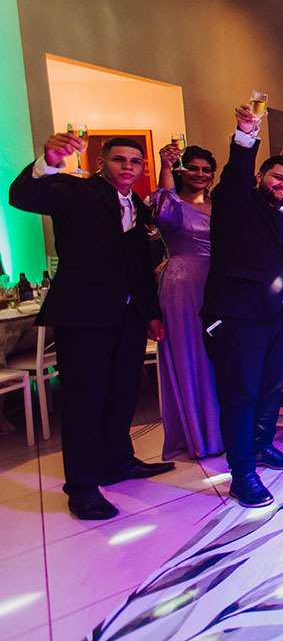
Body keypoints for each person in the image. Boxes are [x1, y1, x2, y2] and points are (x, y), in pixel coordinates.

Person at [9, 134, 170, 520]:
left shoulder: (138, 206)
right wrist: (48, 163)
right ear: (102, 161)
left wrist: (150, 313)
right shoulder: (75, 192)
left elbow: (139, 265)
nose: (128, 166)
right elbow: (24, 197)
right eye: (119, 159)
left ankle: (118, 461)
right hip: (84, 316)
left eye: (135, 161)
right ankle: (82, 487)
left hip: (129, 317)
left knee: (122, 394)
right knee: (84, 402)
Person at [202, 106, 283, 508]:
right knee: (240, 395)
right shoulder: (237, 204)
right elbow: (234, 178)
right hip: (239, 316)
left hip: (280, 315)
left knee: (270, 388)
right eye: (277, 177)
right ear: (260, 176)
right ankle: (242, 473)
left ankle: (262, 446)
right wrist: (245, 136)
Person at [151, 142, 222, 460]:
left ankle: (222, 427)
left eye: (206, 170)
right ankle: (199, 434)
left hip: (216, 282)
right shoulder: (172, 202)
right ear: (181, 171)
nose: (200, 174)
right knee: (190, 353)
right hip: (182, 283)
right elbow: (164, 214)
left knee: (218, 356)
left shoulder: (217, 205)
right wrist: (165, 167)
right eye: (192, 168)